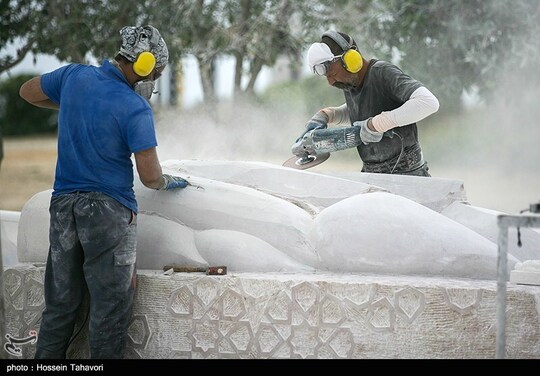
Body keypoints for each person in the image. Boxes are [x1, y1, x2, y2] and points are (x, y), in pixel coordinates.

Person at [19, 25, 189, 359]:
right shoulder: (134, 107)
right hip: (108, 214)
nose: (153, 80)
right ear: (143, 65)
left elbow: (27, 91)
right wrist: (169, 182)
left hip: (64, 207)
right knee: (109, 311)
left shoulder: (73, 77)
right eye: (155, 72)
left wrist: (75, 105)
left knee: (59, 306)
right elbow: (150, 176)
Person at [301, 30, 440, 176]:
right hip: (372, 173)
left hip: (407, 174)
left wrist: (377, 125)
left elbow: (428, 102)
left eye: (332, 75)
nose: (330, 82)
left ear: (350, 60)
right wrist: (329, 115)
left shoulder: (382, 73)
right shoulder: (349, 82)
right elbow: (363, 110)